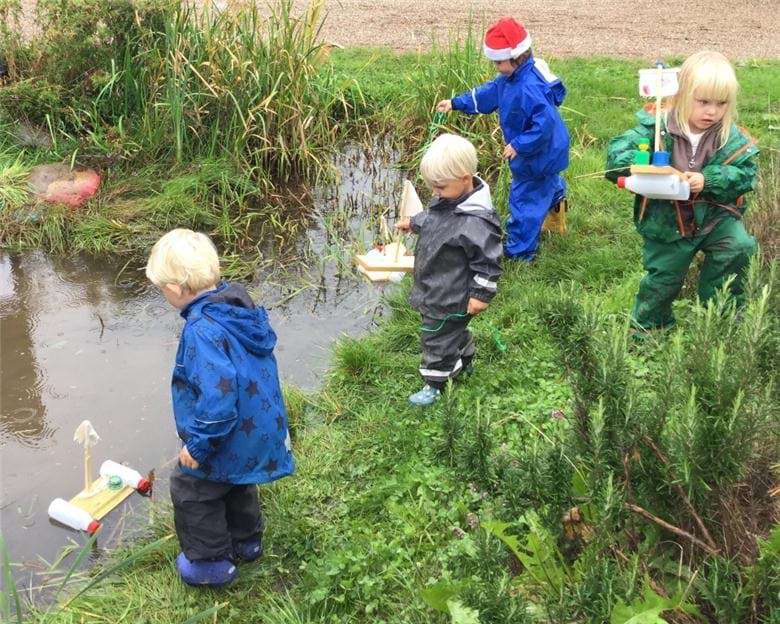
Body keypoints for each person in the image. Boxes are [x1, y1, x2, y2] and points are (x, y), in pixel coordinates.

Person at [145, 228, 294, 586]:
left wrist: (198, 444)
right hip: (256, 428)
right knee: (236, 481)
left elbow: (217, 400)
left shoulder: (202, 330)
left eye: (162, 287)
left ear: (178, 289)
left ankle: (211, 562)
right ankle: (247, 542)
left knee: (191, 487)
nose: (162, 294)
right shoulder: (238, 309)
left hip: (225, 432)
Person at [606, 50, 759, 330]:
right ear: (681, 95)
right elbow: (616, 155)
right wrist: (640, 164)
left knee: (738, 247)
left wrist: (709, 180)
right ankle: (650, 329)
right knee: (663, 279)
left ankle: (720, 314)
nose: (712, 111)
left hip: (714, 218)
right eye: (703, 102)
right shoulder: (656, 128)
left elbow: (746, 173)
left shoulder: (729, 136)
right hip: (666, 222)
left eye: (721, 103)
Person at [437, 17, 569, 260]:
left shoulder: (528, 87)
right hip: (549, 152)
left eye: (499, 61)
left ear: (517, 55)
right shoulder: (512, 78)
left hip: (537, 154)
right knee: (546, 183)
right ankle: (556, 202)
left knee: (524, 201)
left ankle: (520, 252)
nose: (496, 67)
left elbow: (545, 123)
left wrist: (519, 144)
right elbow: (488, 94)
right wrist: (456, 103)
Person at [396, 134, 502, 406]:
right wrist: (415, 223)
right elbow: (434, 218)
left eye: (440, 187)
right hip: (436, 285)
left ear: (465, 179)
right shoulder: (449, 200)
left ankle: (435, 383)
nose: (435, 193)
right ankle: (464, 360)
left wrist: (480, 295)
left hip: (449, 294)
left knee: (435, 338)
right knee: (453, 330)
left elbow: (489, 263)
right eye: (432, 187)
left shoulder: (476, 222)